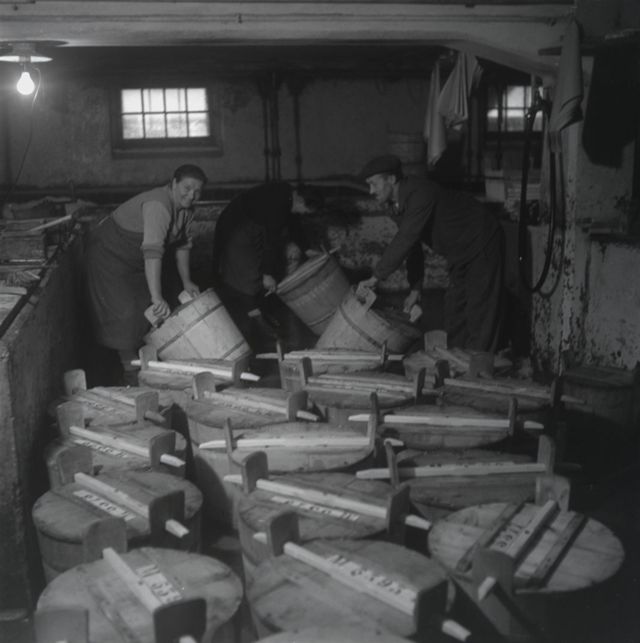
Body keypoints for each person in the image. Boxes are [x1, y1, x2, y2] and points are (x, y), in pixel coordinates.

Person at [356, 154, 505, 353]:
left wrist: (376, 277)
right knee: (455, 308)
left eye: (374, 184)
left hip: (480, 237)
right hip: (459, 251)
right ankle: (456, 359)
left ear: (391, 179)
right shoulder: (395, 207)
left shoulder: (420, 192)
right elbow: (412, 246)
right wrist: (415, 289)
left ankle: (479, 363)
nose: (371, 191)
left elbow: (405, 238)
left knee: (480, 308)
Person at [85, 164, 207, 383]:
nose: (192, 195)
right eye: (187, 188)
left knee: (148, 308)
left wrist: (187, 281)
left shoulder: (187, 211)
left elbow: (182, 246)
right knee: (125, 311)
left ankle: (149, 359)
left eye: (198, 191)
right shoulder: (159, 205)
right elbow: (153, 253)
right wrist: (156, 296)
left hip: (136, 260)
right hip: (109, 255)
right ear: (174, 183)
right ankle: (129, 370)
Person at [211, 181, 319, 349]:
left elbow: (293, 224)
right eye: (305, 210)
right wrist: (267, 274)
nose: (304, 214)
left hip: (251, 226)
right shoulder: (279, 204)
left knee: (257, 275)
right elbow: (272, 242)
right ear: (300, 200)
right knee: (248, 278)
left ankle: (257, 317)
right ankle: (250, 329)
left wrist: (307, 249)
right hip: (237, 228)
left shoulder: (288, 197)